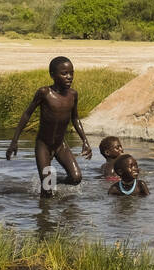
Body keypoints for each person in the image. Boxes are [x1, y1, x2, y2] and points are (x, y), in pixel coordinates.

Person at [6, 56, 92, 195]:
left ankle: (52, 181)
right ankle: (45, 198)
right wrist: (14, 141)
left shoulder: (73, 95)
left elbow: (75, 118)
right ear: (52, 75)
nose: (69, 77)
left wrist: (85, 141)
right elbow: (27, 114)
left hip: (60, 145)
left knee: (76, 178)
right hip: (43, 146)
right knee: (47, 192)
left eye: (71, 73)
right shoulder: (44, 93)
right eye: (64, 73)